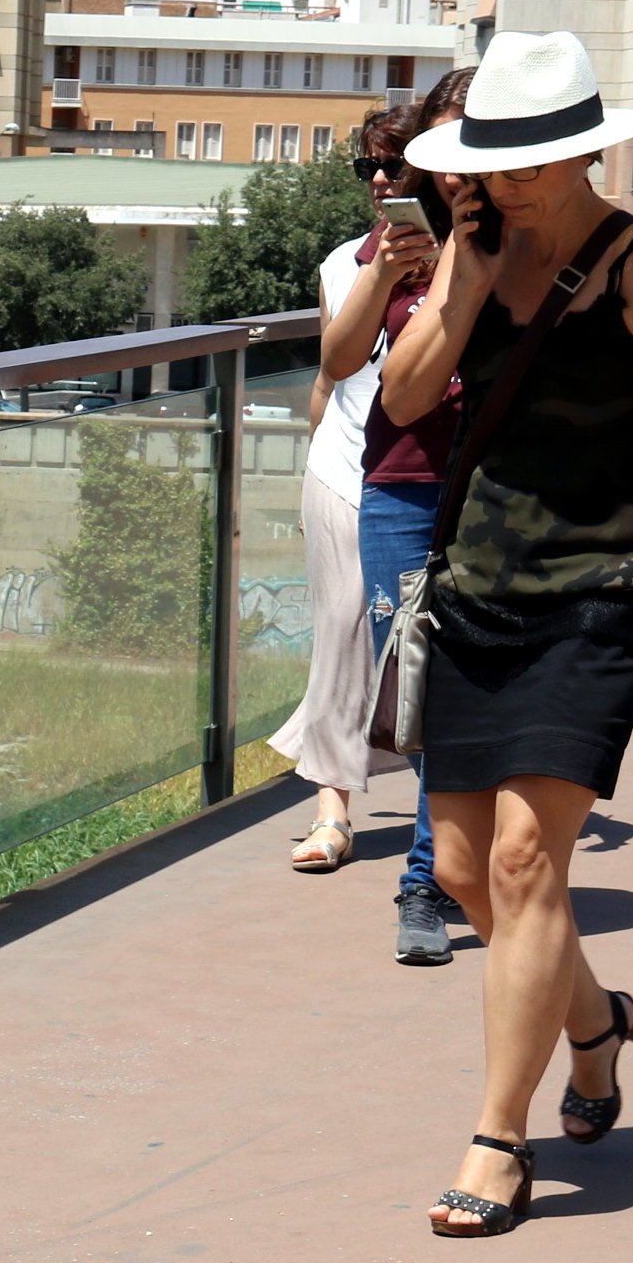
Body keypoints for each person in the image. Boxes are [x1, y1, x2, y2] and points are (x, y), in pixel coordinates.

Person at [381, 32, 633, 1237]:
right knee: (459, 870)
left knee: (520, 860)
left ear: (575, 156)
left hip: (602, 590)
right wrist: (455, 276)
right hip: (477, 583)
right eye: (483, 166)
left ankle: (497, 1138)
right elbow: (402, 398)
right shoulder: (472, 251)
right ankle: (595, 1022)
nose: (495, 184)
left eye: (517, 166)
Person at [319, 70, 476, 966]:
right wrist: (385, 275)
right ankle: (432, 870)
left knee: (467, 690)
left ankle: (436, 870)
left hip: (497, 490)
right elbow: (340, 361)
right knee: (422, 688)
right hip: (402, 487)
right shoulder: (394, 243)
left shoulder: (516, 242)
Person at [269, 107, 420, 880]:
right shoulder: (339, 266)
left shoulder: (466, 263)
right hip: (341, 471)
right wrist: (313, 467)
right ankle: (332, 810)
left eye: (395, 165)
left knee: (413, 649)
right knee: (340, 629)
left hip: (424, 478)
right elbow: (332, 375)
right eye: (371, 169)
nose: (382, 182)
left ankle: (441, 806)